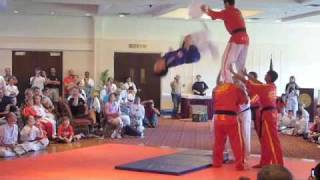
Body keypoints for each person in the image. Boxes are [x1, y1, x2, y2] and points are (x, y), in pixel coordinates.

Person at [231, 64, 284, 168]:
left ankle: (278, 165)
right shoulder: (271, 86)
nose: (264, 75)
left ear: (269, 77)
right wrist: (246, 74)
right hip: (267, 114)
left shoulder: (265, 88)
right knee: (265, 140)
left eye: (266, 74)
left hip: (268, 115)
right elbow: (258, 83)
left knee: (272, 140)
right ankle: (264, 163)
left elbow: (248, 83)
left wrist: (234, 73)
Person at [201, 0, 249, 83]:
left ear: (226, 3)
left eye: (224, 4)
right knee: (240, 65)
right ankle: (241, 85)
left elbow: (214, 15)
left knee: (225, 63)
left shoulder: (228, 11)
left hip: (237, 38)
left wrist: (206, 10)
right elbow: (215, 16)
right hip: (245, 39)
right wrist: (210, 10)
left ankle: (228, 84)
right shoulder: (237, 11)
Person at [212, 80, 247, 170]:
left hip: (218, 118)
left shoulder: (217, 88)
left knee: (218, 142)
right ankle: (239, 164)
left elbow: (214, 100)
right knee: (236, 141)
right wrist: (243, 90)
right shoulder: (236, 88)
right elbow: (245, 101)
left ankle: (216, 163)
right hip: (230, 117)